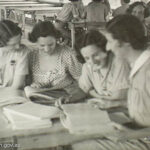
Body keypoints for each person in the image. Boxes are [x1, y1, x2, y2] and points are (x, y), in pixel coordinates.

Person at [71, 15, 150, 150]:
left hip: (143, 140)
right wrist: (114, 103)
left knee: (82, 145)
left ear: (124, 41)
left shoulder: (147, 71)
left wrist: (131, 134)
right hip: (137, 133)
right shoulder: (137, 66)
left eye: (109, 41)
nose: (107, 47)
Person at [25, 21, 85, 104]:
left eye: (51, 44)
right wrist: (34, 85)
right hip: (38, 97)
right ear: (36, 42)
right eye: (42, 46)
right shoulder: (31, 56)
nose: (47, 49)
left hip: (66, 97)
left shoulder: (66, 54)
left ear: (56, 39)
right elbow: (26, 80)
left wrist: (74, 97)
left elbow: (81, 80)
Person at [76, 30, 129, 109]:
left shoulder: (119, 62)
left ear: (106, 49)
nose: (93, 61)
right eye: (87, 58)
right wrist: (70, 98)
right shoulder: (87, 66)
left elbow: (118, 96)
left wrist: (93, 93)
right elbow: (84, 89)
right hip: (106, 110)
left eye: (96, 55)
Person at [0, 20, 29, 89]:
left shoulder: (22, 52)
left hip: (12, 94)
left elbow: (17, 85)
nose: (18, 47)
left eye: (19, 41)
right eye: (13, 45)